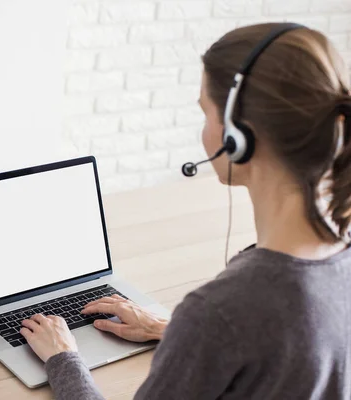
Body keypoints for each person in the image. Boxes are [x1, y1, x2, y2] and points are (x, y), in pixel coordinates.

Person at [19, 22, 351, 399]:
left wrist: (63, 358)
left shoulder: (219, 312)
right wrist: (170, 328)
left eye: (206, 113)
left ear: (238, 138)